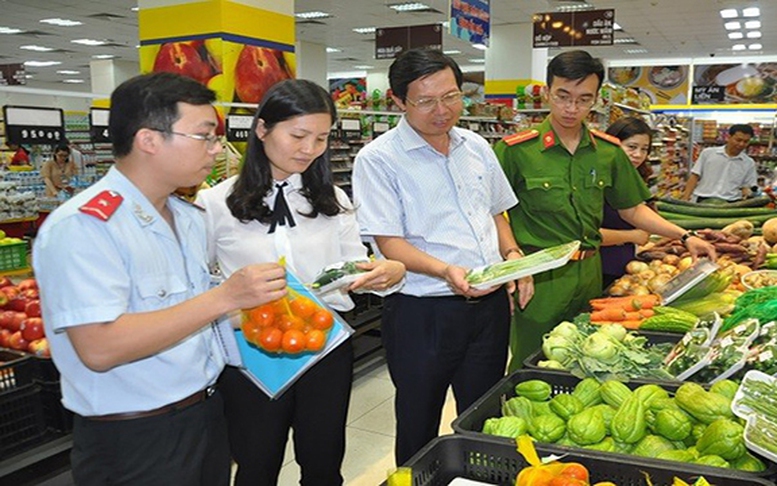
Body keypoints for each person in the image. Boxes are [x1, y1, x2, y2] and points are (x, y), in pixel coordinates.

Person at [32, 72, 287, 486]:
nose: (216, 148)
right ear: (149, 139)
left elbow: (185, 315)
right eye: (204, 136)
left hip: (204, 415)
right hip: (133, 436)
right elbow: (99, 346)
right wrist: (224, 298)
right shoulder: (86, 227)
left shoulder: (187, 218)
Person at [196, 79, 405, 486]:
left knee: (324, 462)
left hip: (325, 347)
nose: (309, 149)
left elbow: (352, 269)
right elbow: (198, 282)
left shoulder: (334, 201)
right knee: (257, 463)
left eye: (321, 138)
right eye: (298, 135)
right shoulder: (215, 204)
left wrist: (385, 272)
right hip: (253, 353)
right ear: (262, 130)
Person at [352, 48, 534, 465]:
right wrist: (444, 270)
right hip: (422, 313)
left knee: (484, 416)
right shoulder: (378, 159)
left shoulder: (476, 146)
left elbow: (496, 212)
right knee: (418, 420)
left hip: (489, 308)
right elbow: (389, 243)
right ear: (398, 101)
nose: (443, 110)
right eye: (426, 101)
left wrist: (513, 254)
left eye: (452, 96)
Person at [493, 50, 716, 371]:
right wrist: (512, 258)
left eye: (583, 99)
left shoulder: (607, 152)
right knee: (530, 362)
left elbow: (633, 209)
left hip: (590, 275)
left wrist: (685, 235)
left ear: (596, 99)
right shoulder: (516, 151)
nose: (572, 108)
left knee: (587, 358)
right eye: (563, 96)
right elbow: (494, 211)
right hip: (539, 278)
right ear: (546, 92)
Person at [600, 117, 654, 288]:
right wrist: (632, 236)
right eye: (631, 147)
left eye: (644, 149)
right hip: (600, 268)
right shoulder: (599, 180)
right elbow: (586, 234)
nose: (638, 155)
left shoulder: (634, 177)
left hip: (624, 268)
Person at [681, 124, 757, 202]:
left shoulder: (749, 163)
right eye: (738, 140)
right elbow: (695, 176)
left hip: (731, 202)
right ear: (729, 137)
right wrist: (685, 198)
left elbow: (747, 186)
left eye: (746, 141)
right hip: (703, 199)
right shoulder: (708, 153)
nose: (741, 144)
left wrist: (747, 192)